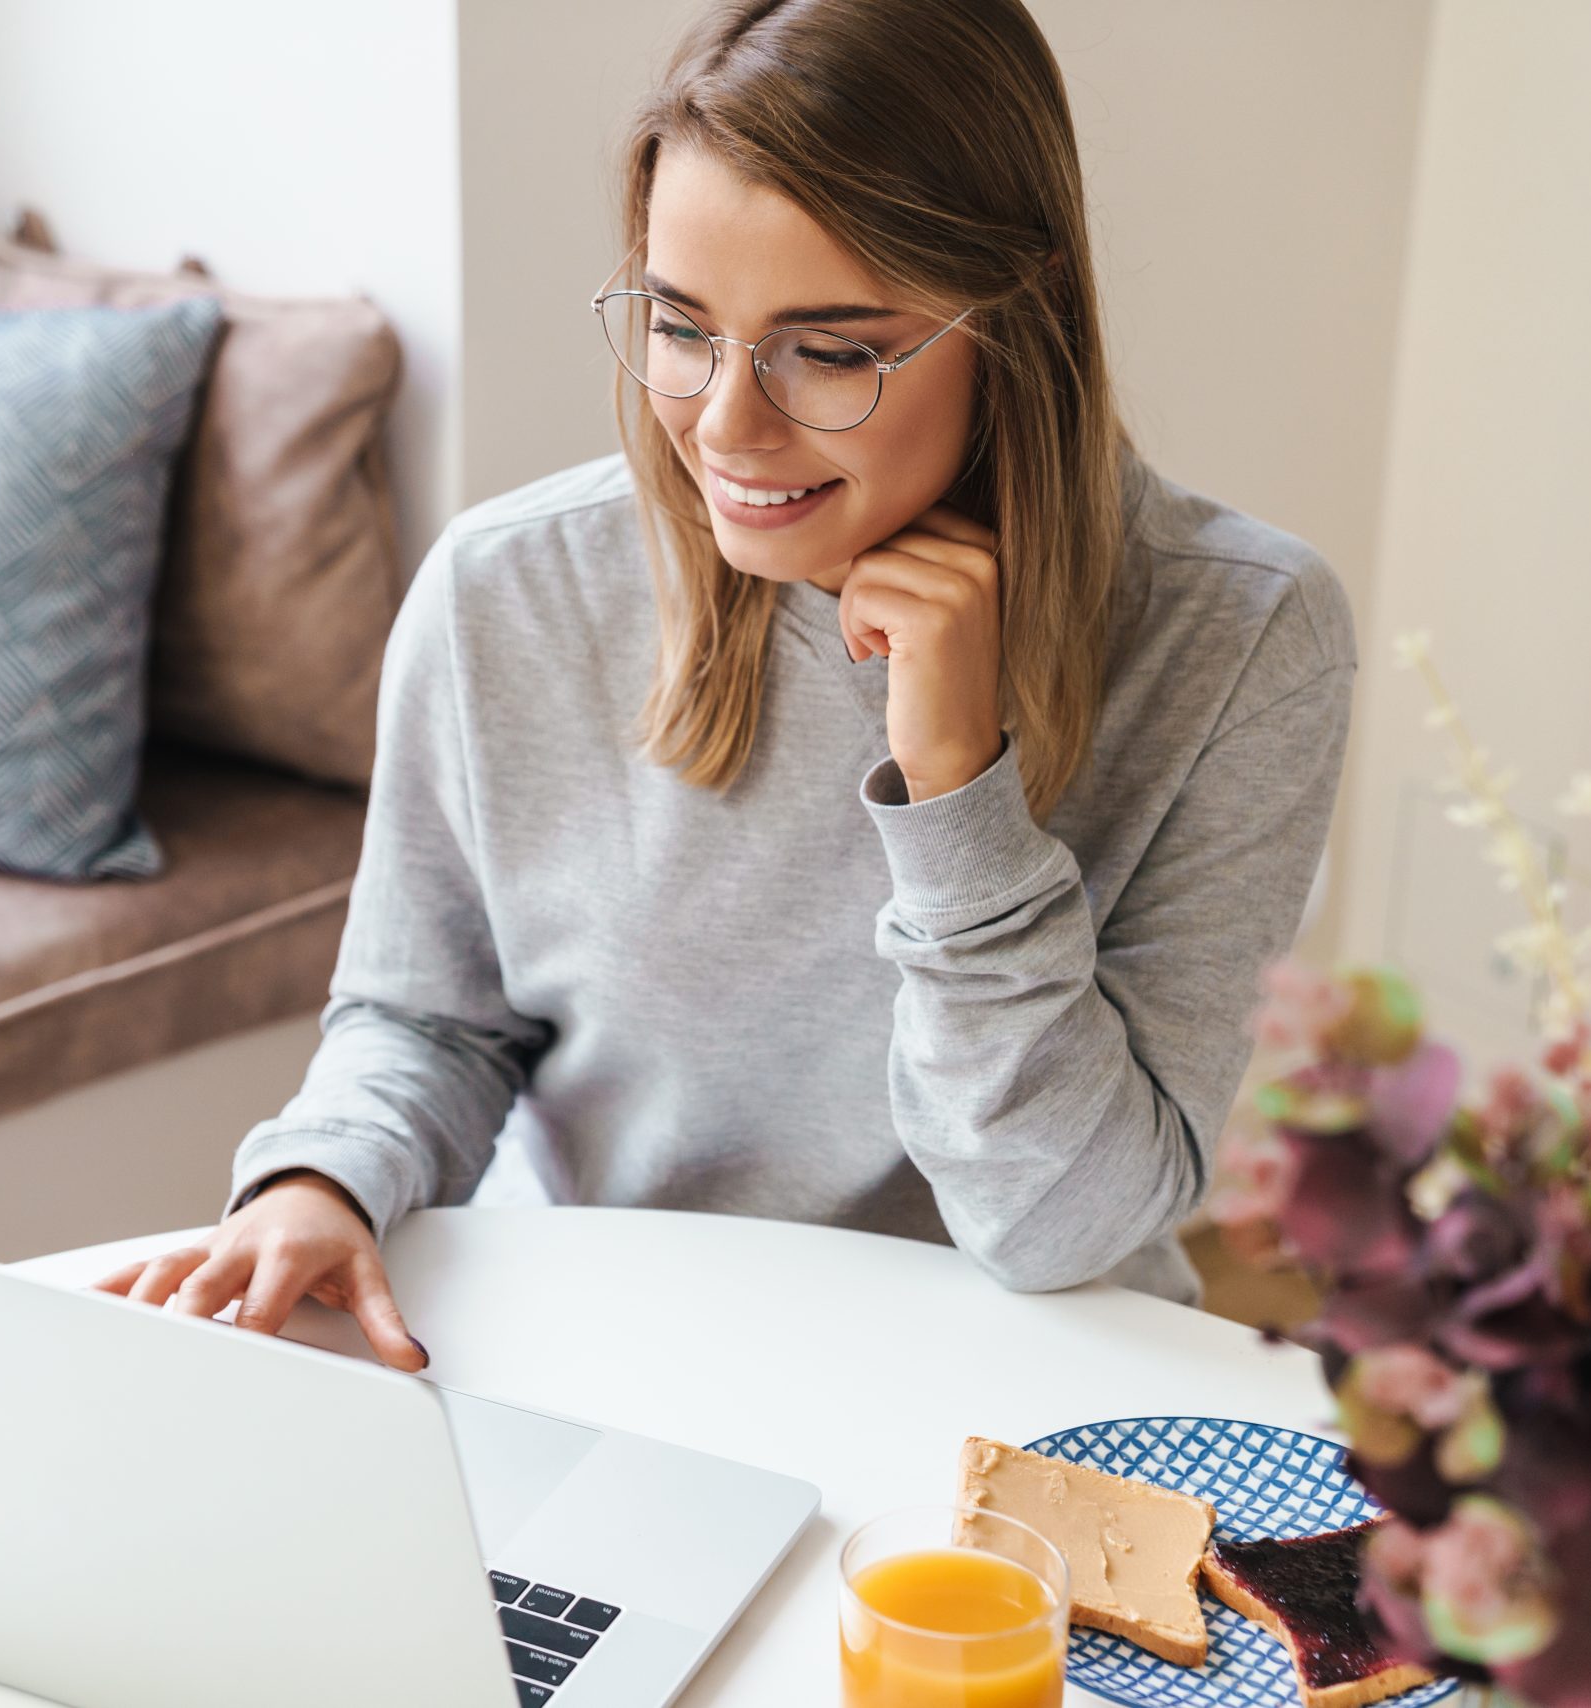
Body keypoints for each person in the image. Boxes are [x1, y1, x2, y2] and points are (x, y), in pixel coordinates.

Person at [94, 0, 1355, 1371]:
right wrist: (322, 1177)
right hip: (608, 1351)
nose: (725, 425)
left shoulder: (1243, 636)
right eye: (682, 326)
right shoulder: (507, 590)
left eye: (832, 351)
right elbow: (428, 1021)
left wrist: (957, 795)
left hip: (1026, 1377)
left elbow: (1061, 1228)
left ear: (1021, 315)